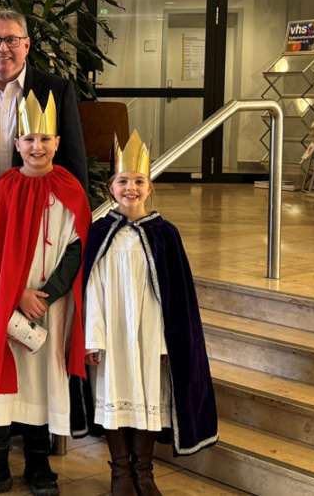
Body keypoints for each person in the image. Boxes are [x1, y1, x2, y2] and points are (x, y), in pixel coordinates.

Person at [0, 91, 92, 496]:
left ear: (57, 143)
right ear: (17, 144)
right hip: (7, 305)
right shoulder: (3, 189)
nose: (37, 146)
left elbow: (77, 248)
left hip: (52, 306)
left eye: (45, 139)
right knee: (3, 377)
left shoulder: (71, 190)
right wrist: (16, 295)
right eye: (29, 139)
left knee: (43, 379)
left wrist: (43, 295)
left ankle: (38, 464)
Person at [83, 131, 218, 496]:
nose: (131, 188)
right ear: (110, 187)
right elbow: (91, 290)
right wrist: (92, 338)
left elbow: (175, 300)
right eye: (123, 181)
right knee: (115, 398)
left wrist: (165, 342)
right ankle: (120, 474)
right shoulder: (98, 233)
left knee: (148, 401)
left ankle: (145, 472)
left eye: (138, 181)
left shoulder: (165, 235)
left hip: (150, 338)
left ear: (150, 186)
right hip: (111, 337)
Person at [0, 9, 88, 192]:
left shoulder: (57, 90)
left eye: (12, 40)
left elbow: (73, 158)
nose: (3, 49)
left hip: (35, 204)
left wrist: (78, 209)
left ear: (26, 46)